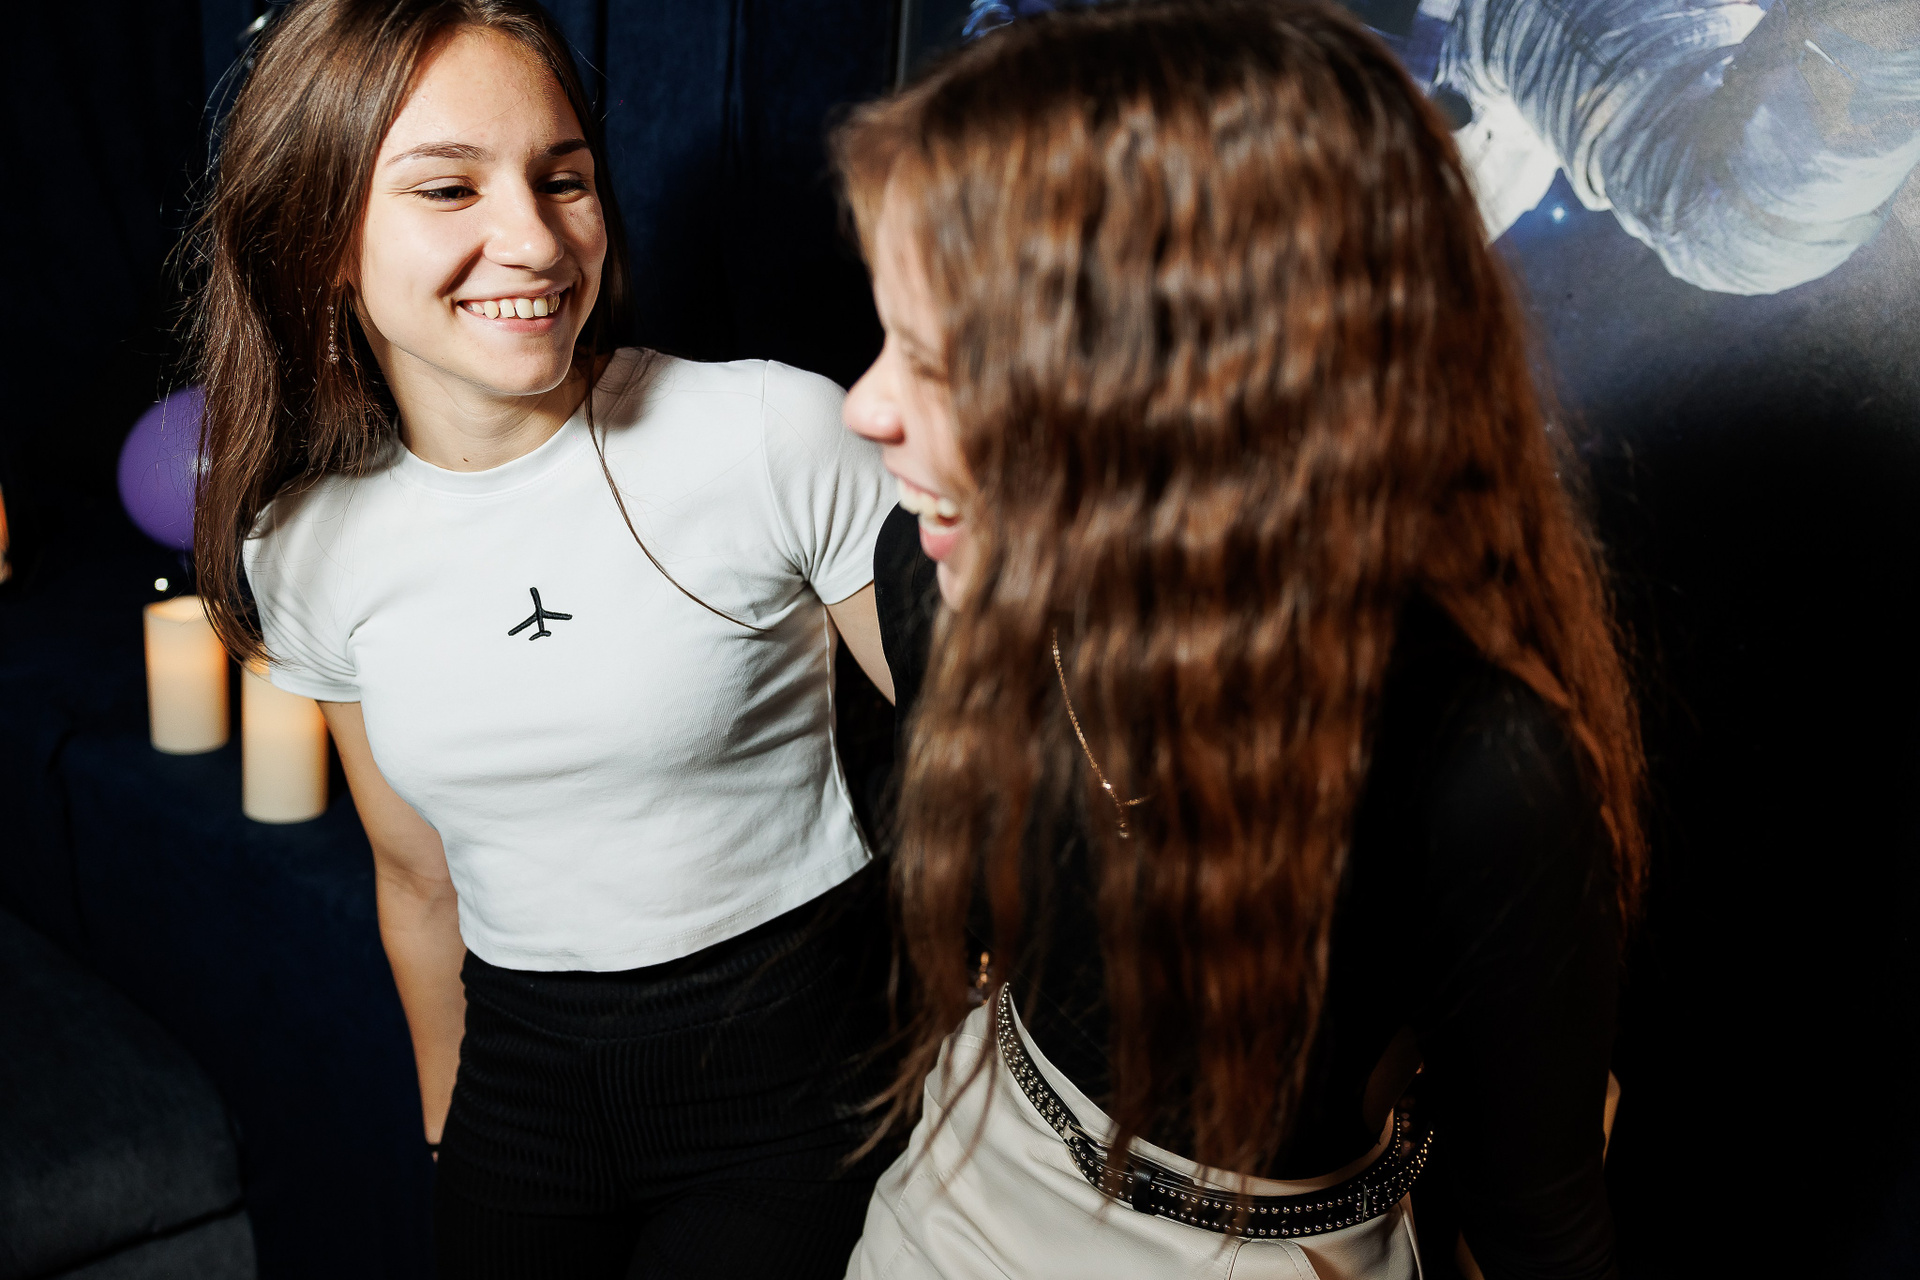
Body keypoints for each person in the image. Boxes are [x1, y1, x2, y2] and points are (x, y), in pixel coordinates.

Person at [835, 3, 1645, 1278]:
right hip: (958, 1192)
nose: (865, 406)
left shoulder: (1481, 766)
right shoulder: (940, 575)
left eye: (942, 362)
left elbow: (1539, 1218)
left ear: (1189, 387)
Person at [187, 2, 900, 1276]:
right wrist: (446, 1129)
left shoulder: (770, 433)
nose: (533, 238)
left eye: (562, 178)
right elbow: (417, 879)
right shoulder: (300, 545)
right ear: (323, 235)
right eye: (449, 187)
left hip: (796, 1083)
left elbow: (1006, 760)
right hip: (521, 1099)